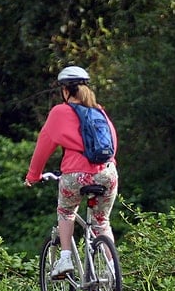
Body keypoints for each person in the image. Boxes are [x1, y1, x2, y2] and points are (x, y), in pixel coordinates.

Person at [24, 66, 119, 277]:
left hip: (76, 175)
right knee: (101, 222)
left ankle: (65, 258)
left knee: (66, 211)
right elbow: (112, 143)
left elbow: (43, 146)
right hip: (107, 172)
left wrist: (33, 176)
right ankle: (113, 271)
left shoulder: (59, 112)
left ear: (65, 91)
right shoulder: (99, 111)